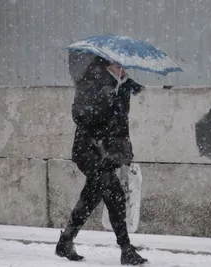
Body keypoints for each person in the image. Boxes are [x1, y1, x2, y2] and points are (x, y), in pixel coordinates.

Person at [55, 50, 148, 265]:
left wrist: (123, 90)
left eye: (124, 66)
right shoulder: (90, 82)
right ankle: (126, 249)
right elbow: (80, 115)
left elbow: (119, 123)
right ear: (107, 64)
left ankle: (65, 241)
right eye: (118, 65)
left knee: (91, 197)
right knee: (114, 194)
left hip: (105, 153)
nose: (123, 69)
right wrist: (108, 100)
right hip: (89, 152)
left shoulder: (118, 84)